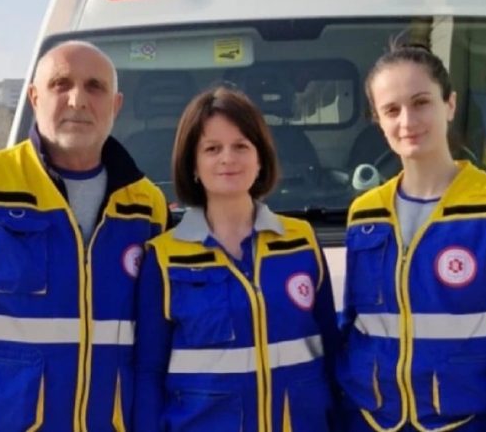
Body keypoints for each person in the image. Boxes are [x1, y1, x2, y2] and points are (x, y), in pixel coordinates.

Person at [0, 40, 169, 431]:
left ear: (115, 105)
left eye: (95, 87)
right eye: (61, 84)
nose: (77, 99)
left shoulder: (147, 204)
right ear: (34, 97)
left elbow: (156, 347)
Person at [337, 44, 486, 432]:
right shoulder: (365, 214)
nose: (407, 121)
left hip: (465, 423)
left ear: (449, 105)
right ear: (378, 121)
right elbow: (355, 326)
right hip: (372, 422)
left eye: (421, 102)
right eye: (392, 110)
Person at [134, 86, 341, 432]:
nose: (227, 158)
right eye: (212, 148)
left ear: (260, 159)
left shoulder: (301, 241)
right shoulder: (164, 258)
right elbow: (149, 372)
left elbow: (331, 351)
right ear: (193, 165)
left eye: (241, 146)